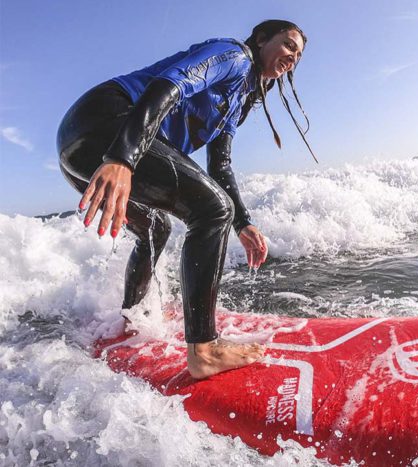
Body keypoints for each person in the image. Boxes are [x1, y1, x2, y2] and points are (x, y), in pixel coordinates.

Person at [57, 20, 315, 379]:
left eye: (299, 54)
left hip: (79, 150)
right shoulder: (233, 56)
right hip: (107, 123)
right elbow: (170, 84)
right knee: (212, 210)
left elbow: (219, 165)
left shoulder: (236, 99)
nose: (293, 57)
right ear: (260, 40)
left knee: (156, 227)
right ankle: (205, 350)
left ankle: (131, 316)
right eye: (288, 45)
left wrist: (243, 222)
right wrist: (122, 158)